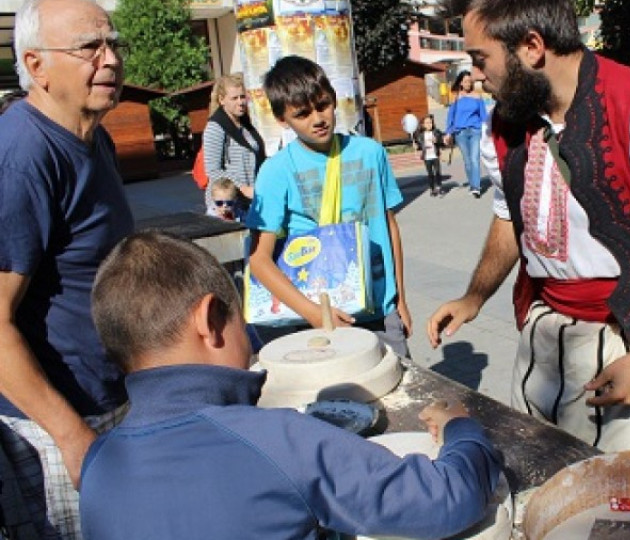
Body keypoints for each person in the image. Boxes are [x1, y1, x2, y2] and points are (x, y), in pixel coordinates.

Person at [427, 0, 630, 453]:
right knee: (540, 481)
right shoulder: (506, 120)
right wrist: (474, 296)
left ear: (532, 47)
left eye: (481, 59)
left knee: (629, 506)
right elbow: (509, 216)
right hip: (544, 339)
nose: (477, 76)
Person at [79, 231, 503, 539]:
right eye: (240, 319)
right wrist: (460, 429)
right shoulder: (280, 440)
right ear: (210, 322)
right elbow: (447, 499)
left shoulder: (98, 465)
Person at [0, 0, 134, 537]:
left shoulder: (93, 134)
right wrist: (71, 436)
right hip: (56, 426)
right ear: (36, 66)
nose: (111, 59)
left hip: (108, 401)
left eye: (113, 43)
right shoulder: (22, 155)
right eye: (89, 47)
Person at [247, 56, 413, 358]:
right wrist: (312, 313)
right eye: (302, 114)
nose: (317, 119)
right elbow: (259, 259)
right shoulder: (276, 171)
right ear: (282, 119)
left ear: (334, 99)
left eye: (322, 105)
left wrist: (399, 296)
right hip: (315, 319)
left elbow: (389, 226)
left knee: (397, 393)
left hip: (380, 308)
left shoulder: (371, 152)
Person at [202, 73, 266, 217]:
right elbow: (213, 170)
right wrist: (243, 188)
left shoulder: (245, 124)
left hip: (249, 202)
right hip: (226, 205)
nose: (241, 102)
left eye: (242, 97)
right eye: (234, 98)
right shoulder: (215, 127)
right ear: (221, 100)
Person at [444, 70, 488, 198]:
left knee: (474, 159)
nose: (468, 83)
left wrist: (486, 130)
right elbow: (450, 116)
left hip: (475, 131)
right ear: (461, 83)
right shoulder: (456, 97)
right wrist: (448, 132)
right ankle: (472, 183)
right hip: (460, 132)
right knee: (467, 161)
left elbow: (483, 115)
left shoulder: (477, 96)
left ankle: (476, 187)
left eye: (470, 81)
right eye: (465, 81)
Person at [414, 113, 446, 196]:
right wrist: (416, 146)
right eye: (427, 123)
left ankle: (439, 187)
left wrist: (437, 141)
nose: (429, 125)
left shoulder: (436, 132)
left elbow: (441, 142)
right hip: (427, 157)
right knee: (430, 174)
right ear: (423, 124)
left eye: (430, 123)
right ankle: (432, 189)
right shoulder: (420, 135)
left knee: (438, 172)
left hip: (435, 155)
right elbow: (419, 146)